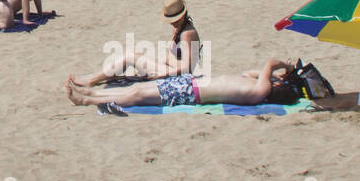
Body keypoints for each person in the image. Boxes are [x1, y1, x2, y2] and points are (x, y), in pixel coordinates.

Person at [69, 0, 200, 87]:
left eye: (174, 20)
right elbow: (171, 57)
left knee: (131, 56)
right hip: (169, 69)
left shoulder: (187, 34)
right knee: (135, 54)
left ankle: (92, 80)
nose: (172, 24)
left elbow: (187, 68)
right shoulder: (180, 28)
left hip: (177, 76)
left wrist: (162, 74)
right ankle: (94, 77)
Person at [65, 59, 297, 109]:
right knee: (136, 89)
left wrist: (282, 67)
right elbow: (251, 70)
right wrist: (278, 75)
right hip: (191, 85)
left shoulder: (261, 91)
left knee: (137, 95)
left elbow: (268, 64)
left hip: (191, 93)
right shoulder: (258, 85)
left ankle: (86, 99)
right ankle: (91, 92)